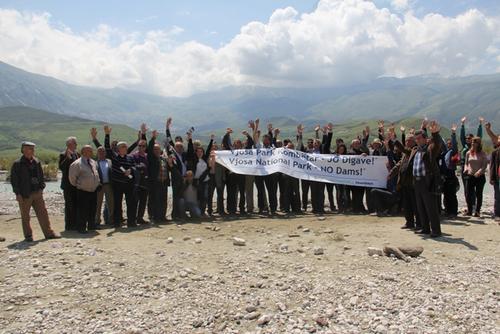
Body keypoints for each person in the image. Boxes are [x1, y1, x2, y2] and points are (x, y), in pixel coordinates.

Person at [10, 142, 60, 241]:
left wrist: (41, 188)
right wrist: (17, 194)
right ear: (23, 149)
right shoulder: (17, 163)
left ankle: (49, 233)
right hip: (25, 194)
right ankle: (28, 236)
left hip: (37, 192)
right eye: (29, 148)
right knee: (25, 216)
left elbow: (41, 176)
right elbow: (14, 180)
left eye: (32, 148)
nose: (32, 150)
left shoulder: (36, 161)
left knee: (43, 214)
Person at [412, 121, 443, 238]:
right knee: (421, 207)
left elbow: (437, 144)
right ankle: (425, 228)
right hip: (417, 181)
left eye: (419, 138)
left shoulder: (430, 149)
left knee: (431, 207)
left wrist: (435, 133)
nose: (417, 140)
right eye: (416, 139)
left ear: (425, 139)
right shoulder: (416, 150)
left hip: (427, 181)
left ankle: (436, 230)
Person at [104, 125, 138, 228]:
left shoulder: (130, 158)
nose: (125, 148)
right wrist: (107, 135)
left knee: (130, 203)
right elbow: (107, 148)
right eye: (122, 147)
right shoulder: (114, 157)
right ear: (118, 149)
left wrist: (130, 170)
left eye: (125, 147)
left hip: (129, 184)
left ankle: (131, 222)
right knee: (117, 204)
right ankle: (117, 222)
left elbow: (135, 167)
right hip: (118, 184)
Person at [68, 145, 101, 233]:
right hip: (83, 190)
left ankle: (91, 226)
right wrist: (80, 185)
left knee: (92, 209)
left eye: (91, 151)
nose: (90, 152)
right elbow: (72, 178)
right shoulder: (77, 163)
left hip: (93, 190)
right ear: (83, 152)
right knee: (82, 210)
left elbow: (96, 174)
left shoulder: (93, 162)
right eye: (88, 151)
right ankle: (81, 228)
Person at [391, 135, 420, 229]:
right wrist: (391, 173)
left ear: (414, 142)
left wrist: (395, 140)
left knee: (415, 205)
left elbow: (405, 150)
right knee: (407, 204)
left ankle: (419, 224)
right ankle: (409, 222)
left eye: (409, 141)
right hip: (404, 183)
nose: (407, 142)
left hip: (413, 183)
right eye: (406, 141)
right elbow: (400, 164)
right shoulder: (405, 153)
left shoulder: (415, 150)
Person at [147, 130, 170, 223]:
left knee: (163, 200)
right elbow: (149, 147)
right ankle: (154, 217)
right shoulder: (151, 158)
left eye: (158, 149)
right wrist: (153, 138)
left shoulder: (163, 159)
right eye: (154, 149)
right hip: (155, 182)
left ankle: (162, 216)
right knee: (155, 200)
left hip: (163, 182)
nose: (156, 150)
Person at [459, 117, 483, 202]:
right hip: (464, 166)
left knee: (473, 186)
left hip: (473, 167)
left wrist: (480, 125)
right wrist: (462, 124)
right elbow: (462, 136)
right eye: (467, 138)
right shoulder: (465, 146)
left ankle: (474, 203)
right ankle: (469, 204)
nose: (467, 139)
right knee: (466, 187)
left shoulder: (475, 147)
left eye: (469, 138)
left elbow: (479, 136)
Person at [463, 137, 488, 217]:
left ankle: (477, 211)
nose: (473, 143)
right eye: (472, 142)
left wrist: (479, 172)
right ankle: (469, 210)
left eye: (475, 142)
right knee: (468, 194)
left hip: (480, 177)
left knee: (478, 194)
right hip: (470, 176)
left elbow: (484, 165)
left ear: (479, 144)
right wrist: (466, 169)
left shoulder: (482, 153)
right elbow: (466, 163)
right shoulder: (468, 153)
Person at [59, 136, 80, 231]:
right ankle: (69, 225)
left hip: (77, 184)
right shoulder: (63, 154)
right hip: (68, 184)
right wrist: (67, 158)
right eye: (74, 143)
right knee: (69, 205)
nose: (76, 144)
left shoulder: (77, 154)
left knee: (76, 204)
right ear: (69, 144)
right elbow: (62, 167)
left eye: (76, 143)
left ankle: (76, 223)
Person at [440, 124, 460, 217]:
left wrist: (453, 134)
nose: (449, 145)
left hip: (451, 176)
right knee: (446, 195)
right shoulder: (444, 153)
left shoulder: (453, 152)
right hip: (444, 177)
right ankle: (447, 211)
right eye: (448, 144)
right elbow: (440, 143)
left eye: (450, 144)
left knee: (452, 195)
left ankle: (453, 212)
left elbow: (455, 145)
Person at [95, 146, 114, 226]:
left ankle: (111, 220)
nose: (102, 153)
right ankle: (97, 221)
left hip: (108, 185)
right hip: (99, 185)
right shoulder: (94, 163)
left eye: (103, 151)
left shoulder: (109, 161)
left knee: (111, 203)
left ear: (105, 153)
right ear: (97, 153)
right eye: (100, 152)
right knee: (98, 203)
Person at [489, 133, 500, 222]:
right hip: (498, 178)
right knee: (498, 196)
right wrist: (491, 178)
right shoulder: (495, 152)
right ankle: (497, 214)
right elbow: (492, 166)